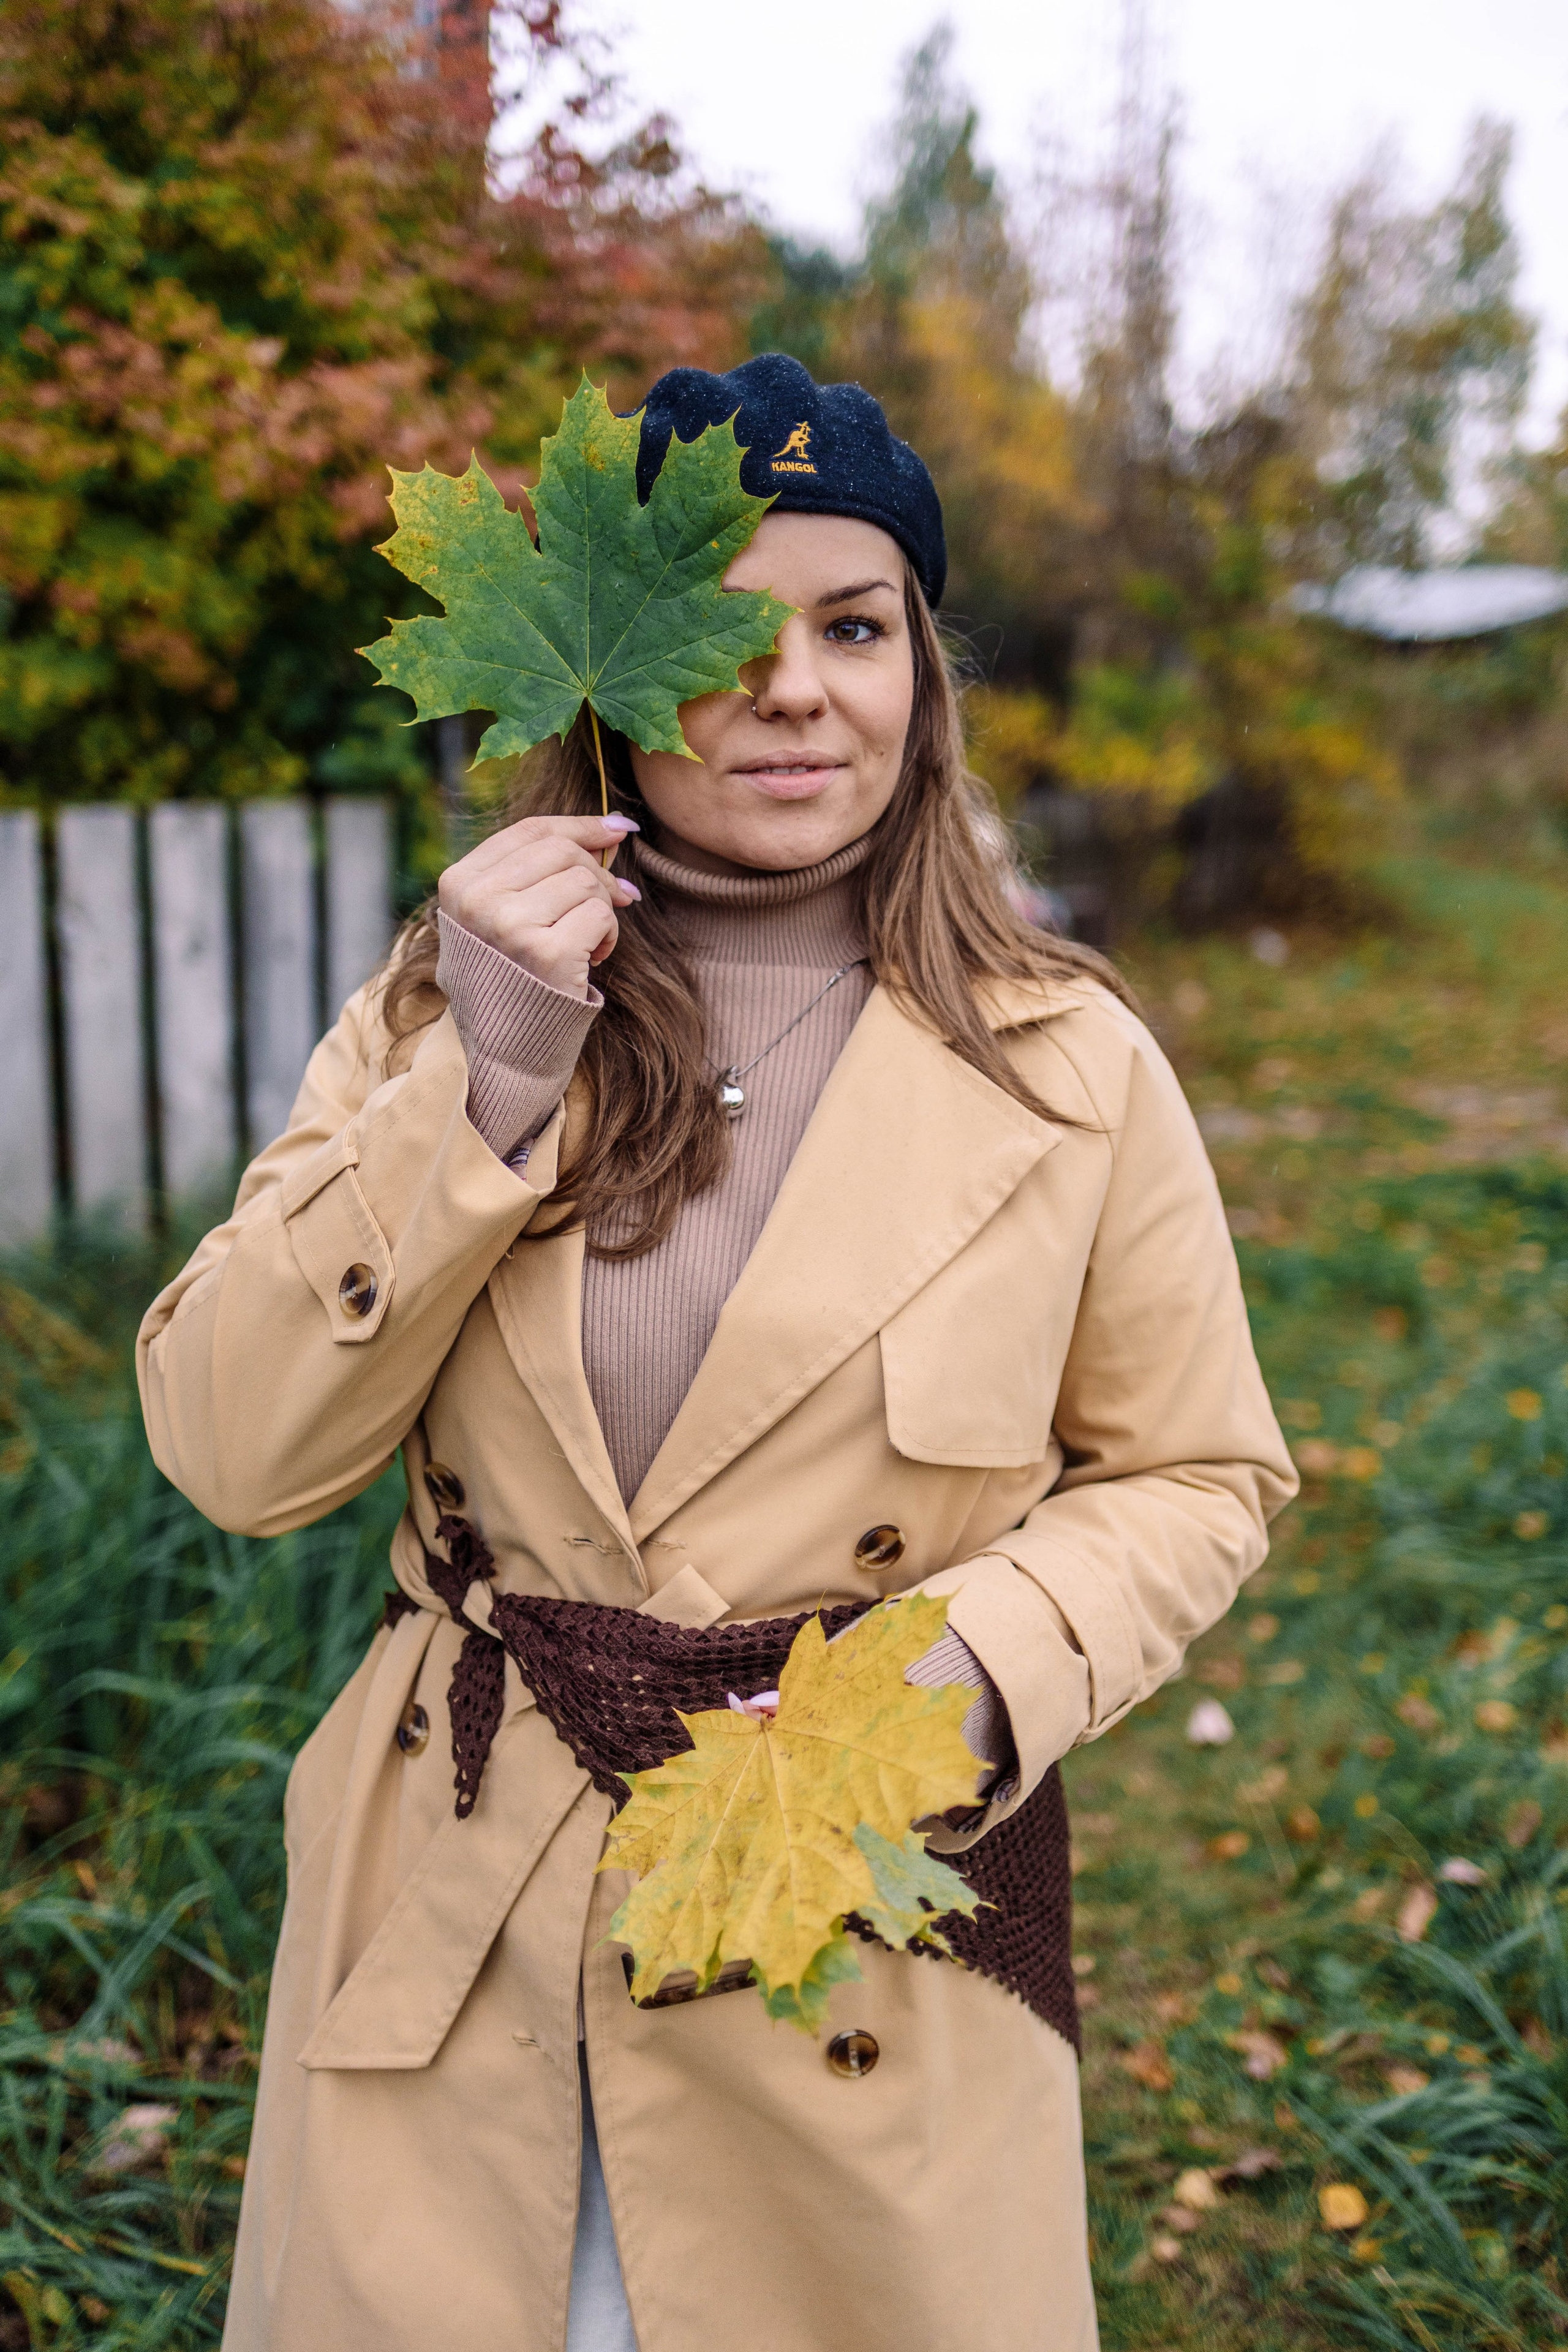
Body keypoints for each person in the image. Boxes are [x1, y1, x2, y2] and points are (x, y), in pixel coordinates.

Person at [137, 352, 1297, 2352]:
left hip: (855, 1894)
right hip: (465, 1918)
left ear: (922, 675)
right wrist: (486, 1080)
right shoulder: (447, 1013)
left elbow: (1200, 1471)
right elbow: (233, 1454)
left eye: (855, 628)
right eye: (722, 635)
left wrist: (954, 1686)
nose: (795, 689)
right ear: (601, 675)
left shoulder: (1071, 1063)